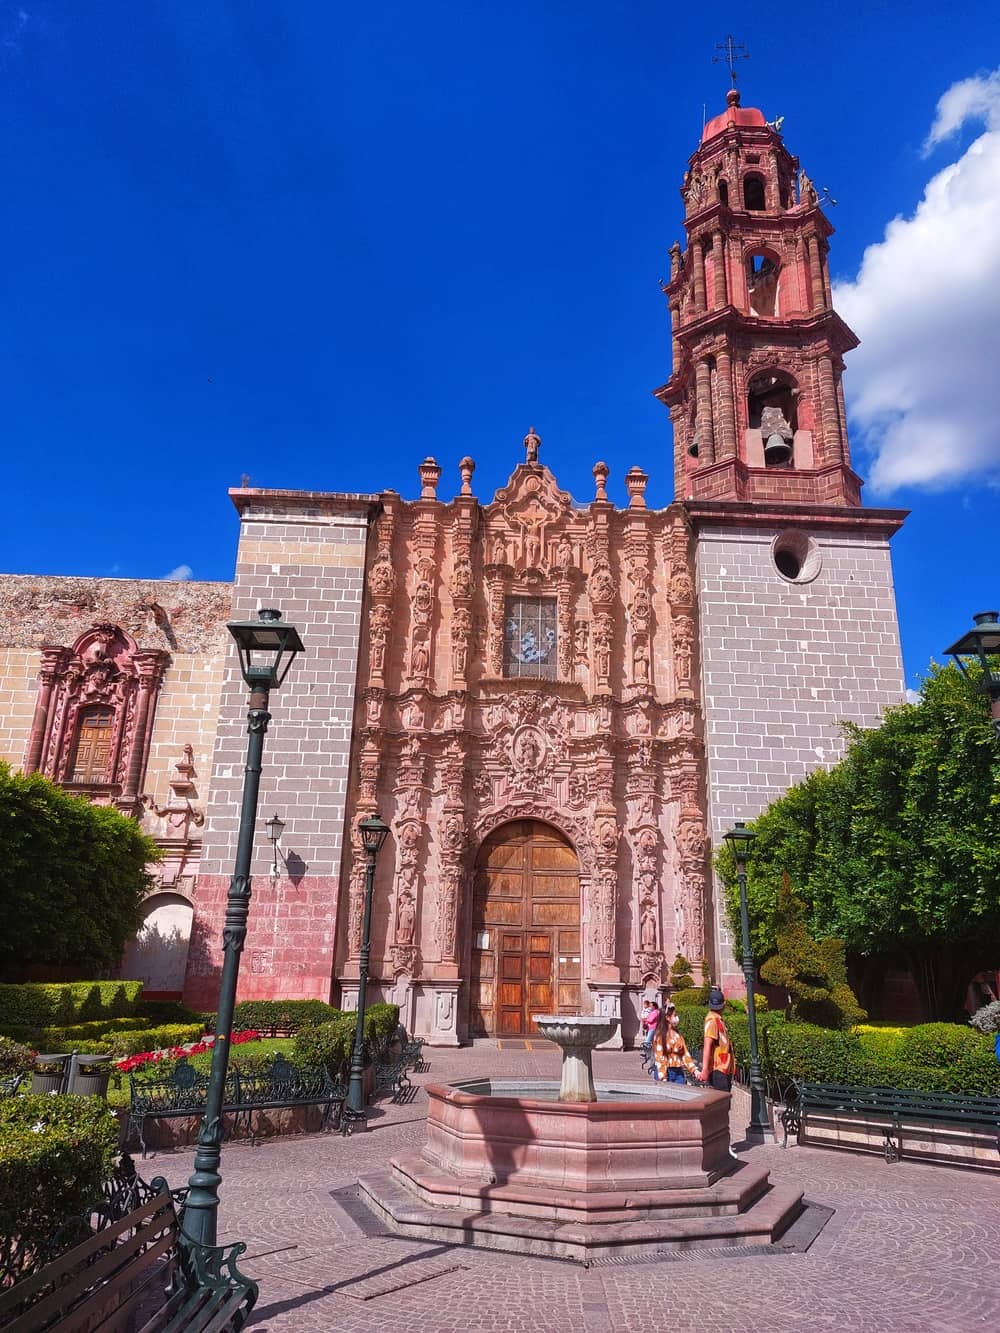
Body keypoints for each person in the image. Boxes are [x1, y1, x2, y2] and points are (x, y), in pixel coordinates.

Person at [697, 987, 734, 1091]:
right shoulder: (712, 1021)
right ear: (724, 1004)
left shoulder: (718, 1019)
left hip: (723, 1068)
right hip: (718, 1069)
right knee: (722, 1104)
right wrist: (704, 1070)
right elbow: (707, 1045)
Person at [650, 1002, 697, 1084]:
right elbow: (660, 1057)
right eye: (675, 1015)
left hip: (678, 1071)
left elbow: (685, 1053)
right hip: (666, 1071)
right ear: (667, 1017)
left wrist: (694, 1070)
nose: (677, 1018)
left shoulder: (677, 1034)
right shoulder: (660, 1035)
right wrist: (663, 1077)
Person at [640, 997, 660, 1063]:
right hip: (650, 1028)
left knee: (647, 1042)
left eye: (651, 1006)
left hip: (652, 1028)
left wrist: (645, 1019)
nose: (650, 1007)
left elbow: (651, 1020)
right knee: (652, 1042)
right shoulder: (652, 1012)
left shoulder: (655, 1012)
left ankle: (648, 1054)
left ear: (654, 1006)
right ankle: (651, 1054)